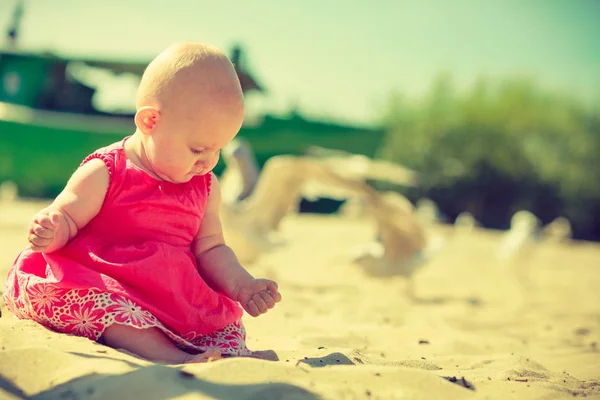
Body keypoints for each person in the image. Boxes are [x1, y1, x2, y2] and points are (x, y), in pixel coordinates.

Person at [2, 42, 282, 364]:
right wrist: (52, 229)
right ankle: (166, 355)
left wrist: (241, 285)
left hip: (171, 297)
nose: (207, 162)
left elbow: (212, 249)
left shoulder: (205, 186)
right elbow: (66, 217)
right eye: (197, 149)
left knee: (227, 328)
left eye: (217, 150)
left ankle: (225, 355)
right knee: (116, 313)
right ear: (150, 122)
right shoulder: (107, 170)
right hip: (107, 281)